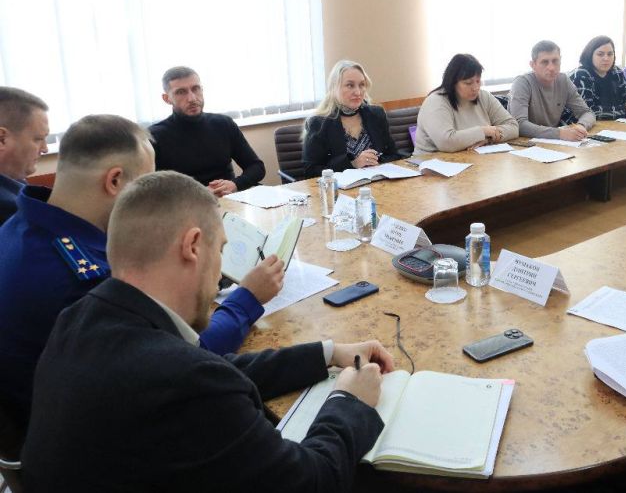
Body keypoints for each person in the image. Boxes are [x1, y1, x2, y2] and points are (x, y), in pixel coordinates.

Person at [21, 170, 391, 491]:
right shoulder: (185, 383)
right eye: (222, 251)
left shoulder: (81, 317)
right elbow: (313, 482)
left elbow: (213, 367)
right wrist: (350, 401)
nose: (220, 276)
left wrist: (327, 353)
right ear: (193, 246)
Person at [0, 115, 281, 432]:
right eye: (146, 184)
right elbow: (190, 355)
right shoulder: (83, 278)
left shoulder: (19, 224)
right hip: (99, 432)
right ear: (115, 181)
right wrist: (247, 298)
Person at [150, 66, 265, 197]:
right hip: (186, 205)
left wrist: (235, 184)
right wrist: (200, 194)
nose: (192, 98)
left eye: (196, 89)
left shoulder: (223, 124)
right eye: (181, 92)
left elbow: (256, 167)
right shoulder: (154, 136)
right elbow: (150, 191)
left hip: (229, 200)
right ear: (167, 98)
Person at [303, 60, 404, 176]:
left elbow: (394, 155)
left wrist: (377, 161)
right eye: (350, 85)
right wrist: (353, 164)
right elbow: (311, 171)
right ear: (334, 88)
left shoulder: (376, 114)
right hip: (342, 187)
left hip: (378, 183)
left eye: (362, 85)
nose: (358, 92)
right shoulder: (319, 123)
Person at [414, 53, 518, 153]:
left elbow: (513, 126)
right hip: (432, 161)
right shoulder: (436, 101)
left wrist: (489, 138)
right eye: (468, 83)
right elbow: (446, 142)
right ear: (452, 82)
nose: (475, 88)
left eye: (478, 81)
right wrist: (483, 131)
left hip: (472, 158)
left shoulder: (484, 96)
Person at [507, 40, 596, 141]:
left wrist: (581, 126)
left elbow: (587, 113)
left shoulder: (563, 80)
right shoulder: (522, 82)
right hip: (524, 143)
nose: (551, 67)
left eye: (555, 61)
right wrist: (560, 133)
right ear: (533, 65)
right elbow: (519, 125)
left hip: (554, 142)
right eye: (544, 62)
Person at [0, 87, 49, 225]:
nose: (45, 149)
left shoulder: (14, 182)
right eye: (38, 139)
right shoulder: (11, 208)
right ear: (2, 139)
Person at [568, 36, 626, 120]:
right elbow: (587, 112)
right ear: (590, 55)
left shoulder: (616, 72)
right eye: (600, 54)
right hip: (577, 125)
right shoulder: (581, 74)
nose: (606, 58)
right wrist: (625, 110)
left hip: (611, 124)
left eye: (610, 54)